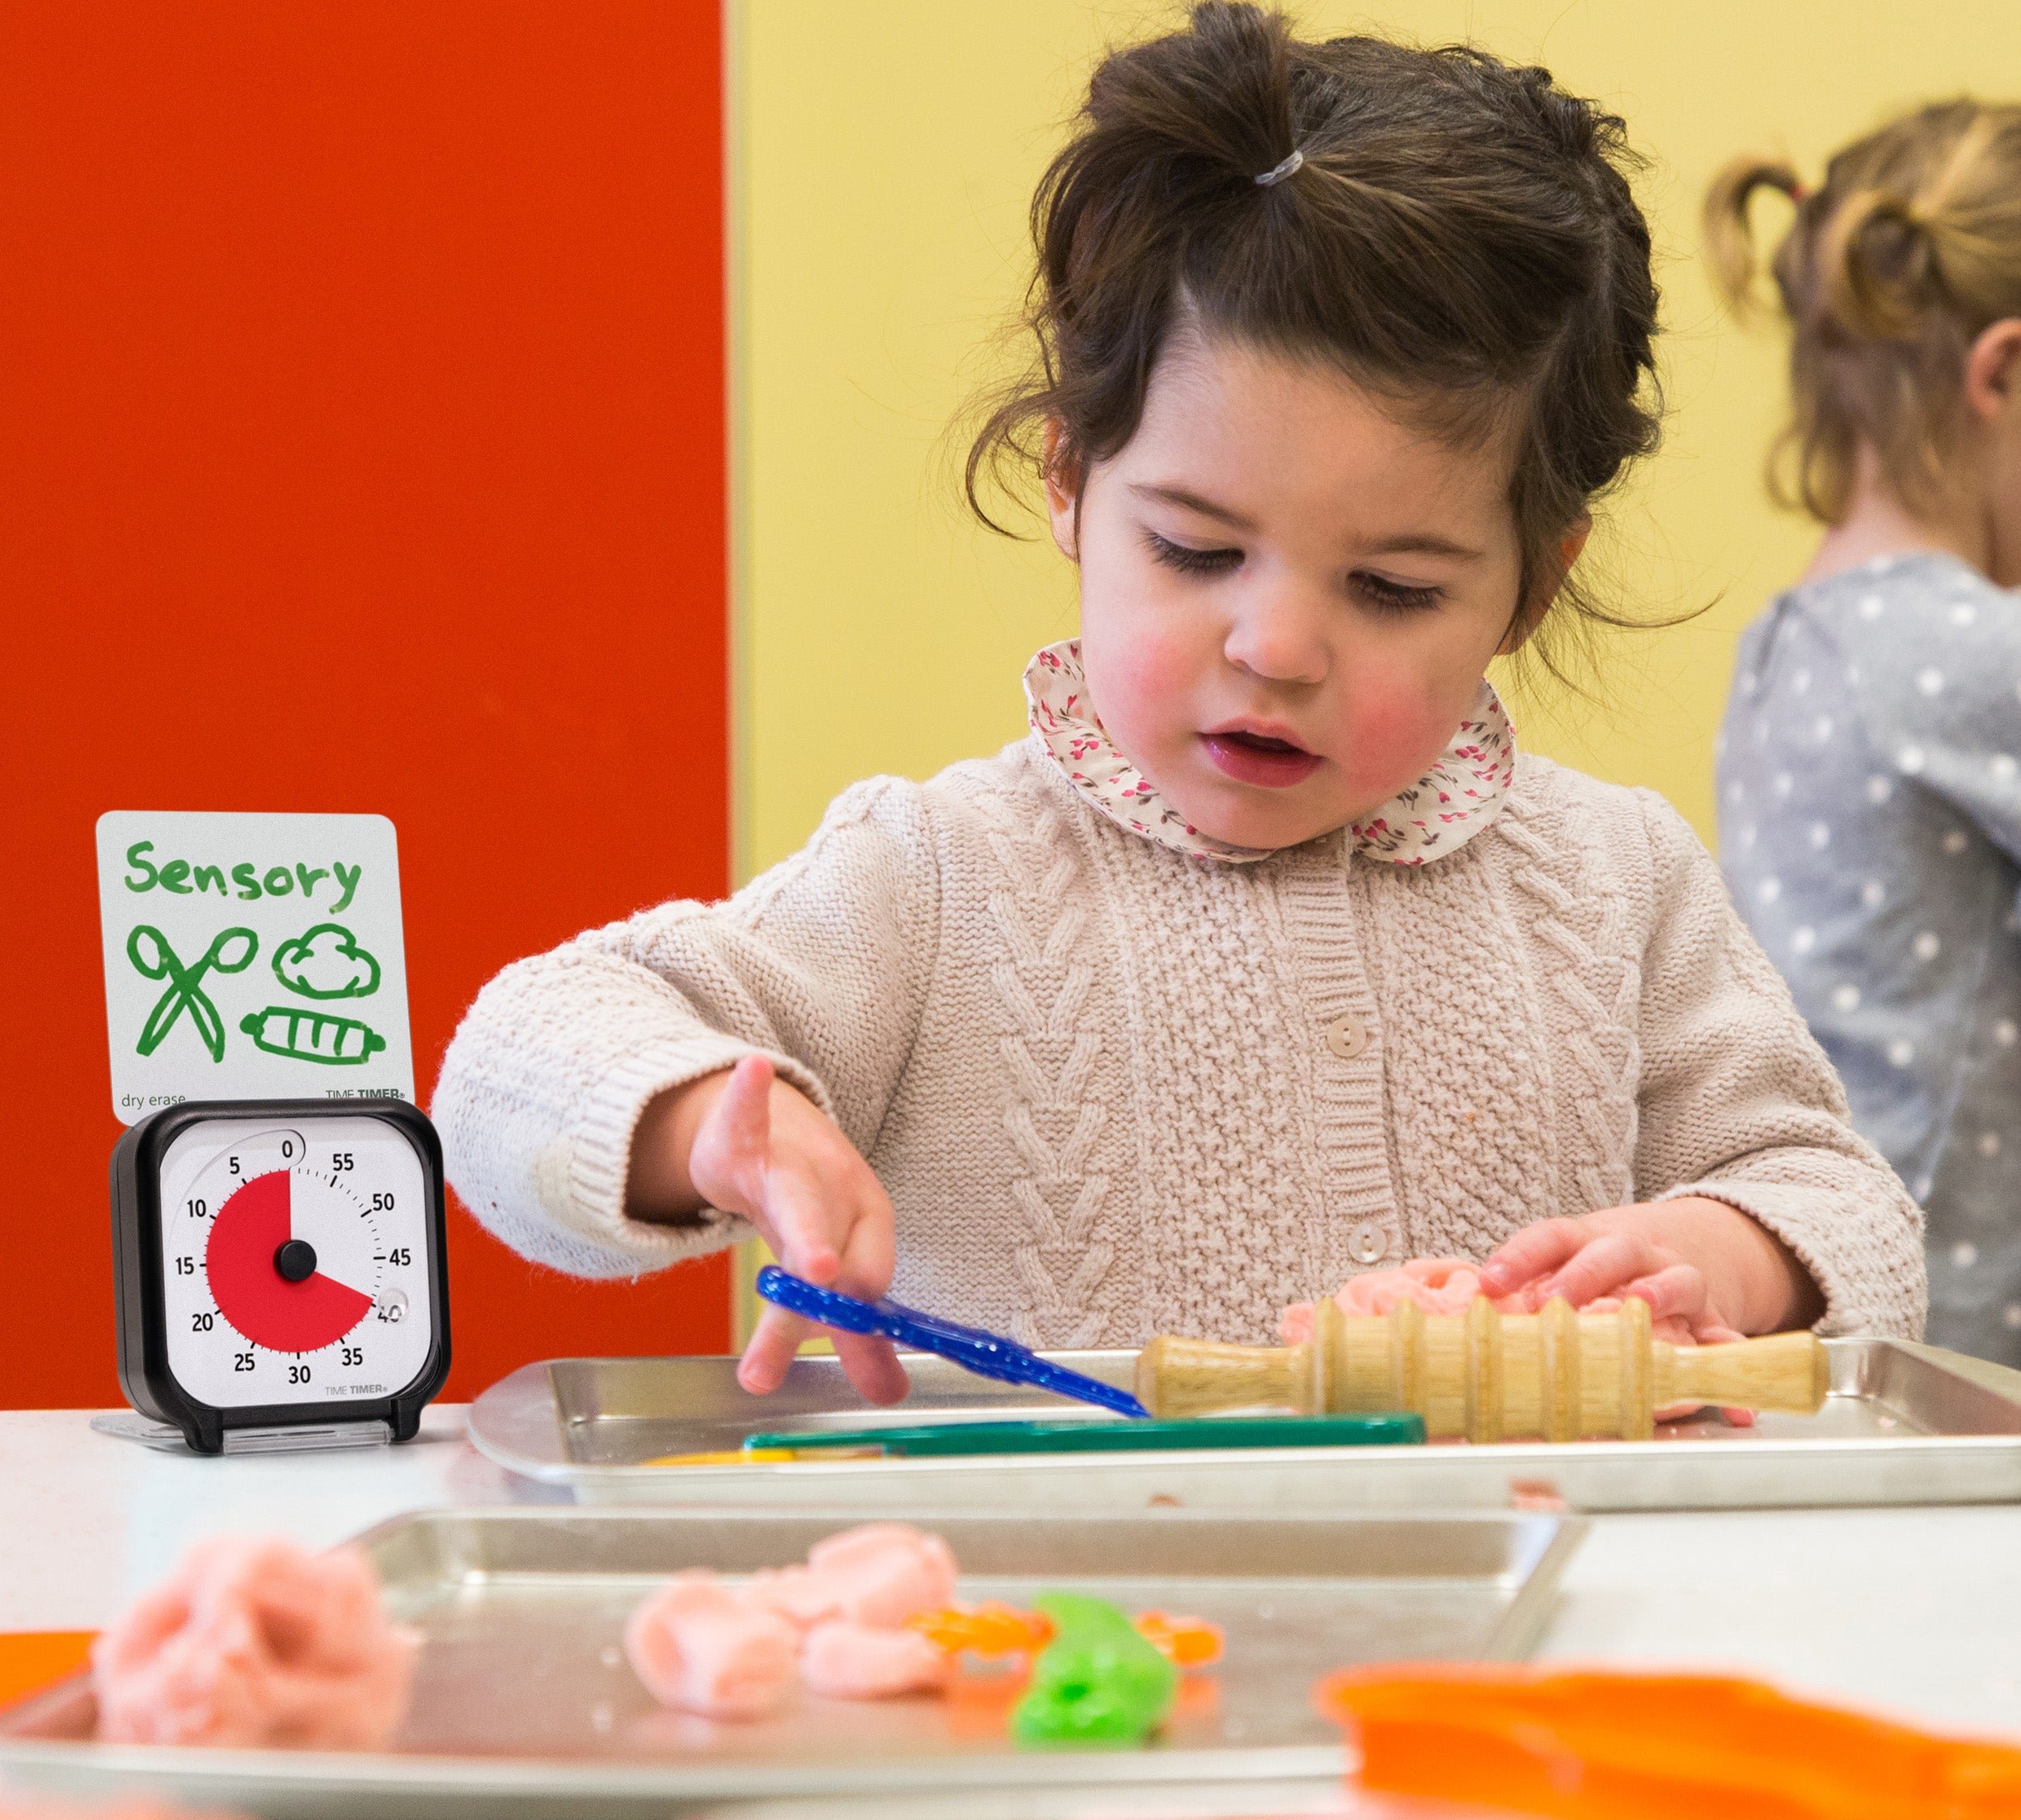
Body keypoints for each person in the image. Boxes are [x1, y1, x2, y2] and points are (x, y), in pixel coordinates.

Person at [436, 3, 1921, 1402]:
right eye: (1197, 550)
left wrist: (1732, 1255)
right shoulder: (943, 876)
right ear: (1072, 490)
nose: (1276, 646)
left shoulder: (1619, 882)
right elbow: (517, 1050)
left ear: (1530, 587)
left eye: (1394, 588)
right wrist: (714, 1130)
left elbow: (1840, 1199)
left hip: (1521, 1622)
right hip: (1059, 1633)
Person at [1707, 103, 2021, 1362]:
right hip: (1966, 1334)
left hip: (1843, 1293)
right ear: (1999, 373)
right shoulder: (1967, 655)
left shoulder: (1795, 637)